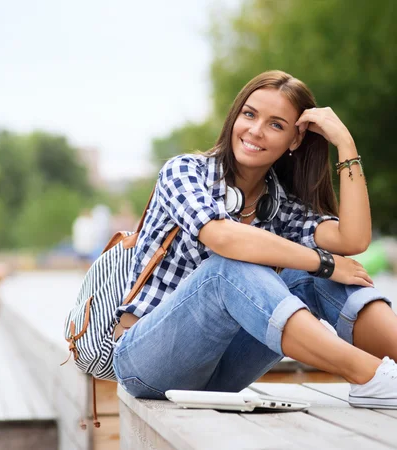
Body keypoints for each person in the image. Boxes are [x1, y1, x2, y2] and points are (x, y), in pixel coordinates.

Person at [112, 70, 397, 409]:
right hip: (147, 362)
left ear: (294, 140)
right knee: (228, 270)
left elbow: (353, 239)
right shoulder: (184, 172)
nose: (255, 130)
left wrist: (345, 144)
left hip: (221, 373)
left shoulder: (280, 206)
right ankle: (369, 376)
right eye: (249, 114)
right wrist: (324, 262)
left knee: (308, 277)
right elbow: (223, 238)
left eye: (276, 125)